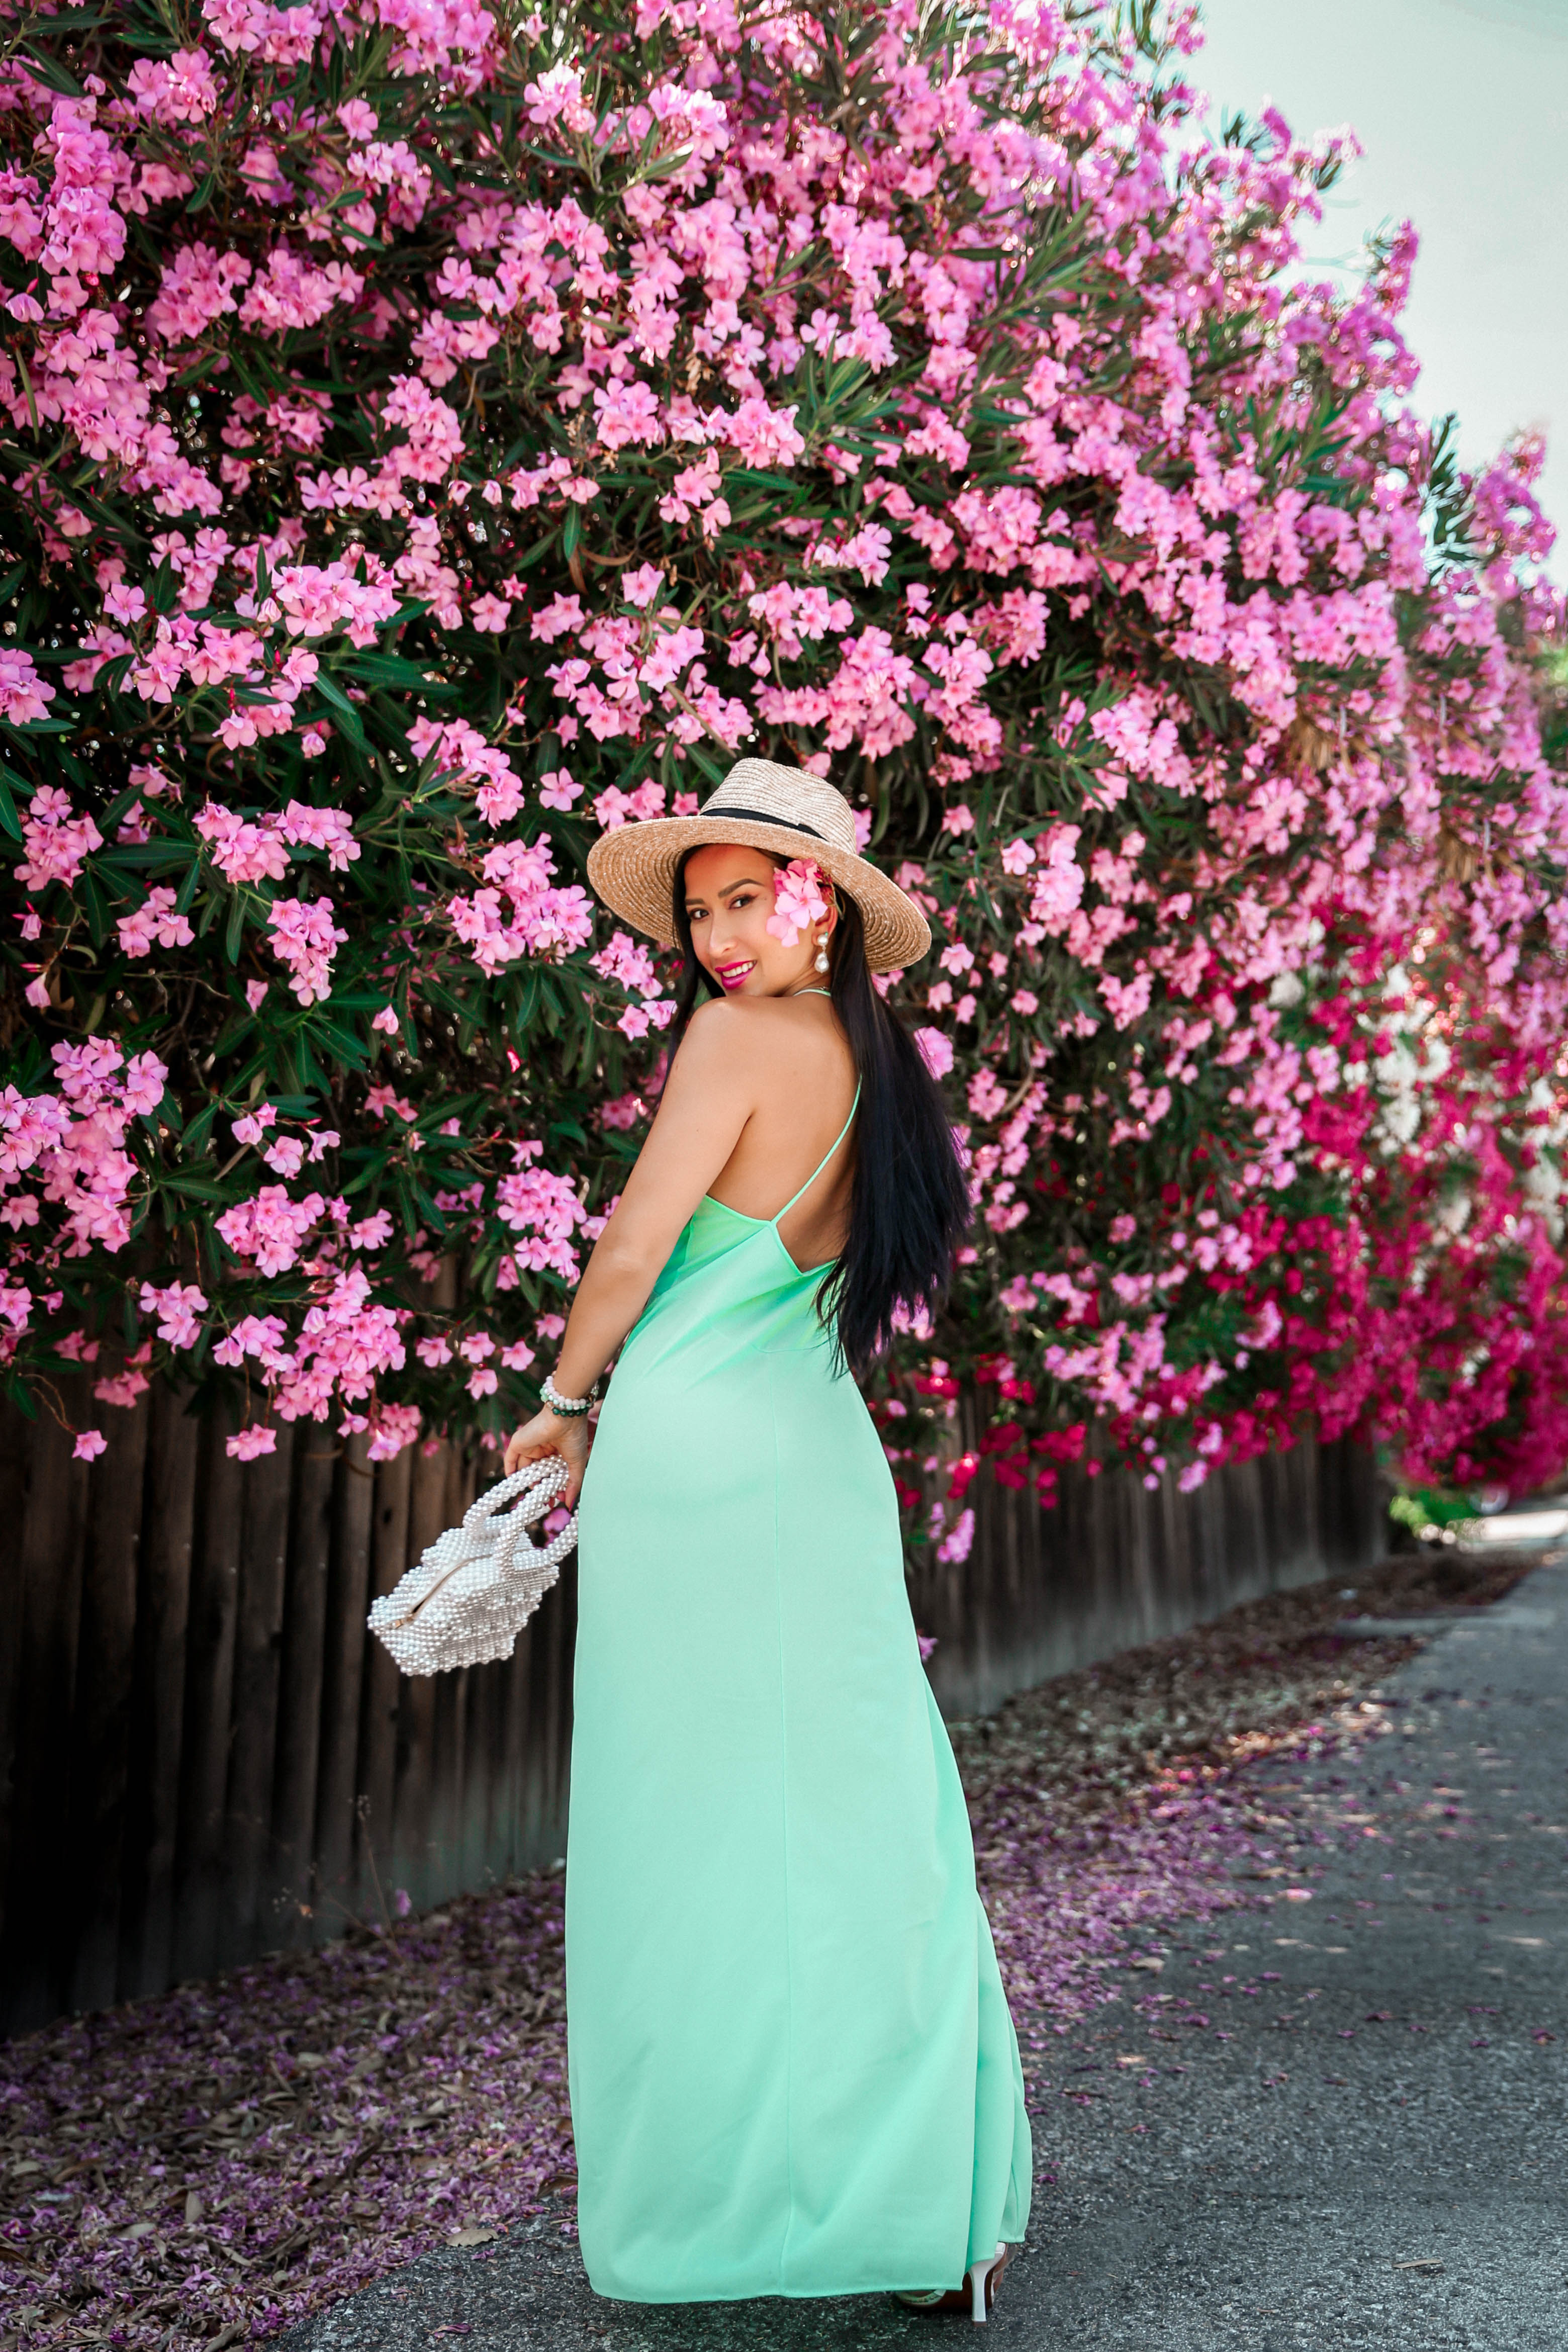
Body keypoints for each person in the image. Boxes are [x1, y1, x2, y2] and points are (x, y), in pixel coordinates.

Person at [504, 757, 1032, 2321]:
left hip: (692, 1459)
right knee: (873, 1825)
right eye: (704, 911)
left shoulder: (736, 1041)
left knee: (693, 1836)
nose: (722, 937)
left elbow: (632, 1245)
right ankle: (931, 2209)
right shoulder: (875, 1073)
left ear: (824, 909)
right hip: (813, 1453)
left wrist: (561, 1397)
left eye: (752, 897)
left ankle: (744, 2206)